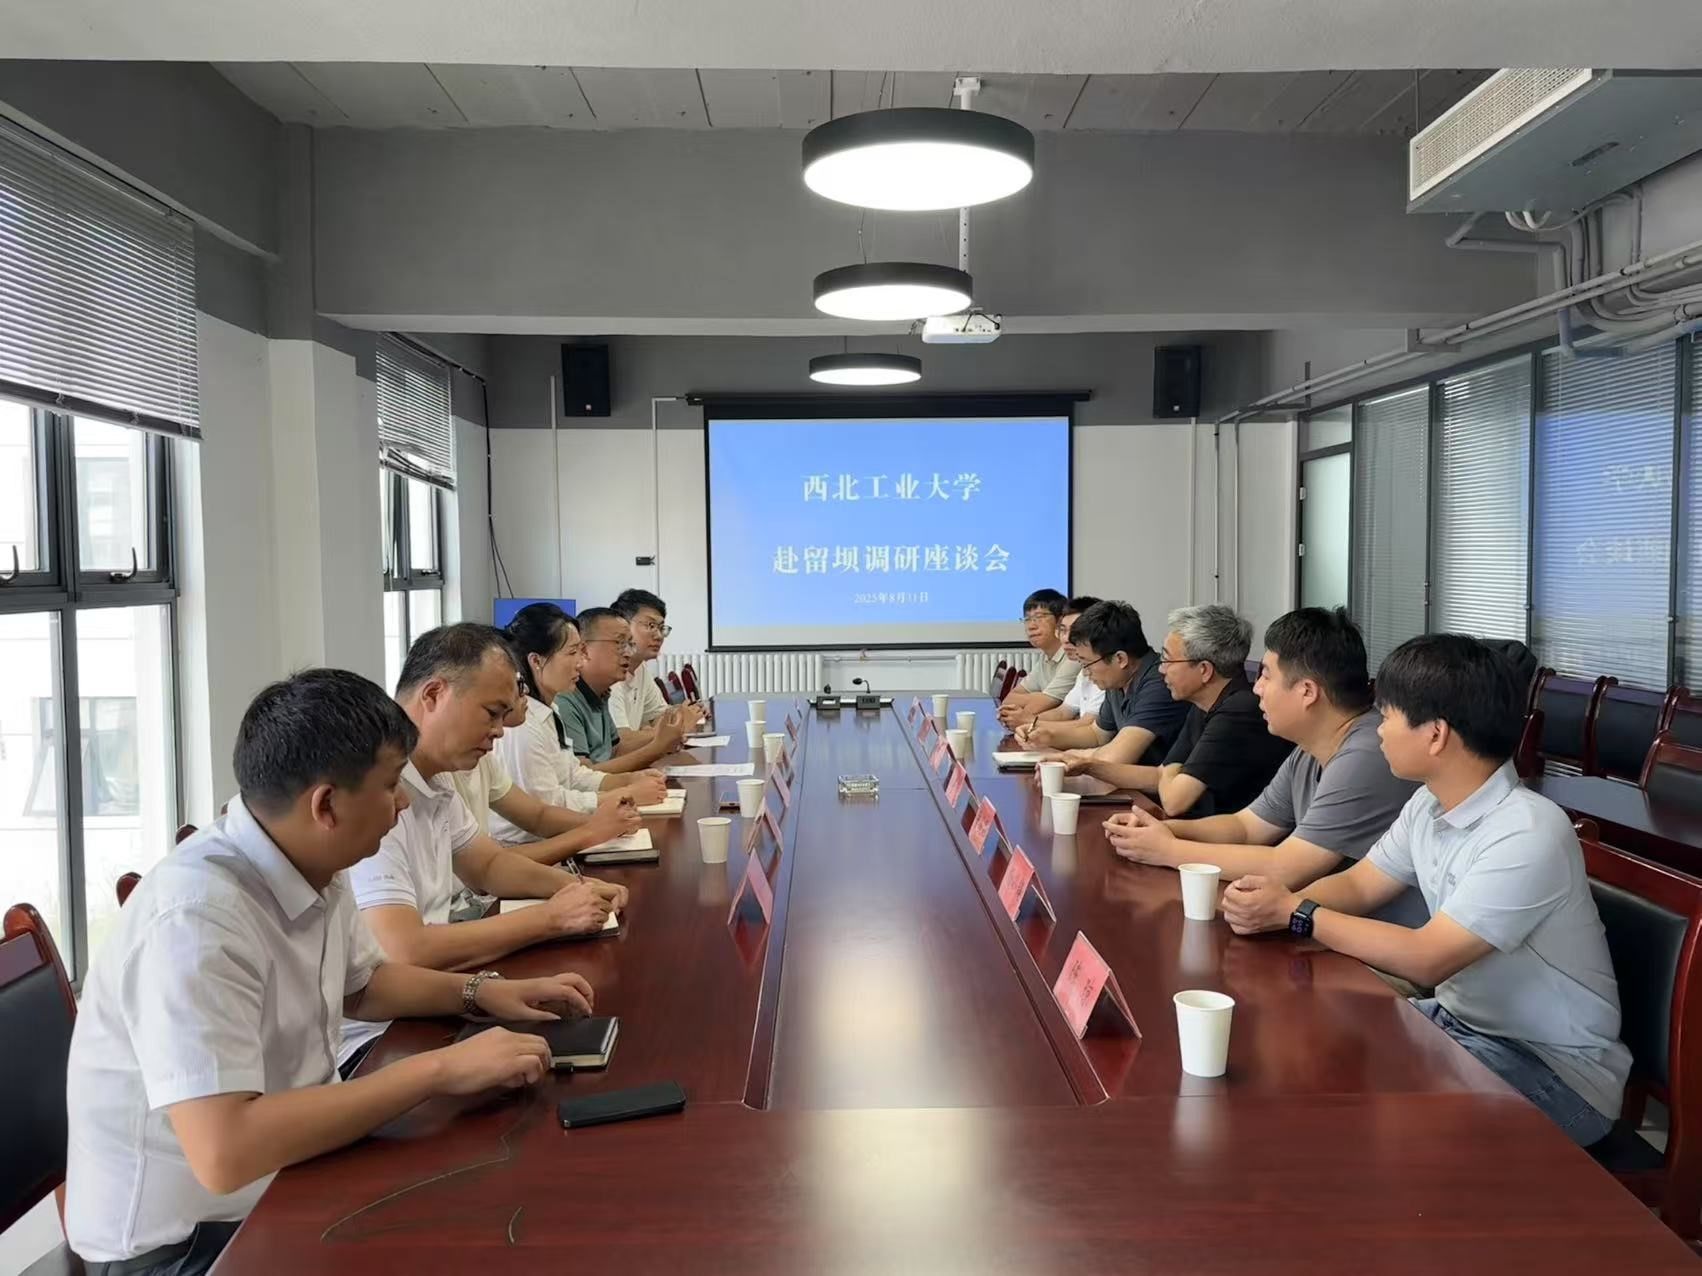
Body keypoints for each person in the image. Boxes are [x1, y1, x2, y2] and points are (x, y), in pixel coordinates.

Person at [64, 669, 593, 1275]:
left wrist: (483, 993)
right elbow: (225, 1152)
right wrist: (440, 1068)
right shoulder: (196, 919)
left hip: (285, 1177)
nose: (402, 803)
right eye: (391, 786)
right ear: (326, 805)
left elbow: (363, 985)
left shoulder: (310, 857)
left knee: (500, 1198)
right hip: (188, 1246)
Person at [1220, 634, 1631, 1147]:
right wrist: (1270, 904)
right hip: (1459, 1025)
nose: (1379, 729)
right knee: (1311, 1040)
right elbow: (1360, 883)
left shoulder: (1526, 831)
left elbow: (1427, 958)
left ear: (1435, 735)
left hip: (1553, 1071)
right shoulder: (1428, 804)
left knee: (1364, 1120)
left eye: (1388, 716)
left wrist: (1298, 913)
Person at [341, 624, 629, 1069]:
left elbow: (488, 865)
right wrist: (549, 919)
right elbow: (406, 950)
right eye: (491, 714)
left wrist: (575, 888)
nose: (498, 732)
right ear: (433, 694)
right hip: (379, 1039)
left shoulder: (434, 779)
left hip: (429, 1000)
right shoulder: (374, 795)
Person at [1103, 607, 1426, 926]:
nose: (1256, 687)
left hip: (1379, 942)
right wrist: (1162, 830)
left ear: (1307, 692)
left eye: (1266, 676)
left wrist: (1168, 850)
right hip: (1327, 926)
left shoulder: (1367, 752)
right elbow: (1246, 827)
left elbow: (1287, 866)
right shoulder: (1309, 750)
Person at [1062, 605, 1291, 817]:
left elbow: (1173, 801)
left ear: (1204, 670)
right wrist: (1088, 767)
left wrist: (1170, 773)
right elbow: (1158, 775)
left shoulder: (1239, 711)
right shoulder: (1202, 705)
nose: (1161, 669)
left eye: (1168, 660)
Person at [493, 603, 668, 847]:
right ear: (536, 661)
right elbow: (549, 807)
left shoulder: (549, 710)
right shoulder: (523, 725)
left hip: (562, 835)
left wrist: (629, 779)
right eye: (573, 652)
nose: (581, 661)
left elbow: (574, 775)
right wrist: (621, 795)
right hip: (532, 846)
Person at [452, 674, 642, 868]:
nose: (499, 731)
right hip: (521, 850)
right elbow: (489, 865)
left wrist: (599, 824)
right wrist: (593, 829)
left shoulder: (484, 757)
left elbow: (538, 815)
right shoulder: (521, 730)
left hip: (523, 856)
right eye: (492, 713)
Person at [1016, 600, 1189, 767]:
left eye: (1087, 663)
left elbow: (1116, 757)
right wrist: (1048, 736)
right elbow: (1097, 734)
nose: (1085, 672)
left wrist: (1063, 756)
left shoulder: (1159, 683)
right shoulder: (1118, 679)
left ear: (1120, 659)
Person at [556, 606, 689, 773]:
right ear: (584, 650)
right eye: (620, 643)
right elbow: (583, 777)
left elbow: (615, 751)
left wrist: (663, 739)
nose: (628, 653)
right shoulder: (565, 700)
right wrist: (657, 746)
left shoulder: (601, 692)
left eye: (630, 644)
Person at [609, 587, 707, 743]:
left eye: (661, 628)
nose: (659, 636)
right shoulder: (610, 675)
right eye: (651, 625)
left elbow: (659, 715)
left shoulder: (640, 668)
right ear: (623, 626)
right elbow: (621, 741)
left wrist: (688, 711)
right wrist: (679, 726)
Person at [996, 588, 1081, 726]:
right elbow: (1009, 699)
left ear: (1060, 621)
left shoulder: (1074, 658)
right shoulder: (1044, 659)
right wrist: (1036, 698)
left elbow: (1040, 705)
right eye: (1027, 619)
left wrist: (1033, 702)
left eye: (1039, 617)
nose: (1031, 626)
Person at [1032, 595, 1106, 724]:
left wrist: (1029, 724)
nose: (1066, 639)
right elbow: (1063, 712)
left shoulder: (1106, 673)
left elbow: (1088, 727)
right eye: (1063, 630)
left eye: (1075, 632)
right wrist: (1027, 721)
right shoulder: (1083, 670)